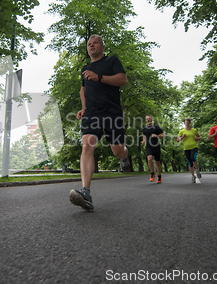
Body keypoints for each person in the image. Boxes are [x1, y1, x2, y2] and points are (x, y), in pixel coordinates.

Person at [69, 34, 129, 211]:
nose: (91, 45)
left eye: (95, 42)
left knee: (118, 151)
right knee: (87, 145)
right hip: (92, 113)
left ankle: (125, 156)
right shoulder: (85, 68)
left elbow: (122, 80)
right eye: (88, 43)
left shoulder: (112, 61)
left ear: (102, 47)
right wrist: (84, 107)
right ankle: (86, 192)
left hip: (112, 112)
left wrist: (99, 77)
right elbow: (83, 88)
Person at [177, 117, 202, 183]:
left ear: (190, 123)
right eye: (186, 122)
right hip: (186, 148)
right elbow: (178, 140)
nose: (187, 123)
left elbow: (198, 136)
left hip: (194, 146)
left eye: (188, 122)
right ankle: (193, 176)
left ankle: (197, 170)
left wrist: (198, 138)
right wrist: (182, 137)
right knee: (190, 162)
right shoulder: (181, 131)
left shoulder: (194, 130)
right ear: (184, 123)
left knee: (193, 157)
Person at [142, 115, 165, 183]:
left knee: (157, 162)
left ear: (152, 119)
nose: (148, 120)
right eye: (146, 119)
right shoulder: (145, 129)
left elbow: (163, 135)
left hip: (156, 146)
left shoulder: (156, 127)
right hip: (149, 146)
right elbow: (144, 135)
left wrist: (157, 136)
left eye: (149, 118)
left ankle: (159, 176)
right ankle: (152, 173)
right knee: (149, 158)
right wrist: (143, 141)